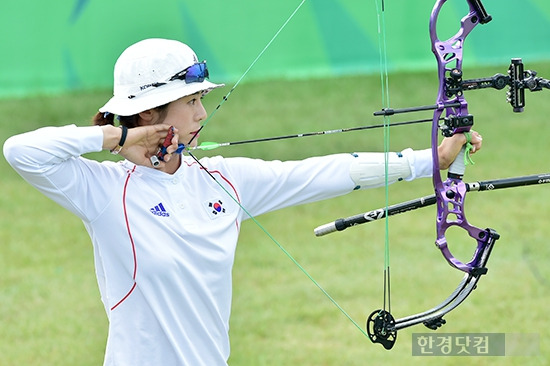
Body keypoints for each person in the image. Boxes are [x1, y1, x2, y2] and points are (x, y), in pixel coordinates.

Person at [3, 38, 482, 365]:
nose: (202, 112)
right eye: (189, 101)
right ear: (151, 112)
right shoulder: (104, 190)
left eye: (200, 99)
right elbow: (21, 151)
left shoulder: (221, 181)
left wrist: (432, 160)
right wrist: (119, 135)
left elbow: (321, 172)